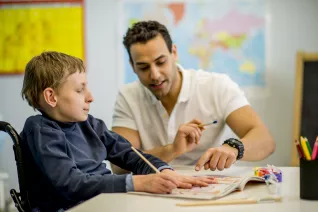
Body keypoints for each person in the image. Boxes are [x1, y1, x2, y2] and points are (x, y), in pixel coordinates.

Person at [20, 51, 213, 212]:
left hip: (103, 202)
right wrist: (139, 183)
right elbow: (71, 185)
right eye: (80, 90)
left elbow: (130, 154)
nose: (90, 97)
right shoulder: (40, 130)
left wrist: (164, 171)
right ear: (51, 97)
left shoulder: (90, 124)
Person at [112, 20, 275, 172]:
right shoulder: (128, 96)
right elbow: (119, 166)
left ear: (173, 53)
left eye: (161, 62)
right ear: (132, 66)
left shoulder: (217, 86)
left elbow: (265, 141)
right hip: (152, 187)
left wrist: (233, 147)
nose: (154, 75)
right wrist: (172, 150)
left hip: (209, 185)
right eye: (143, 67)